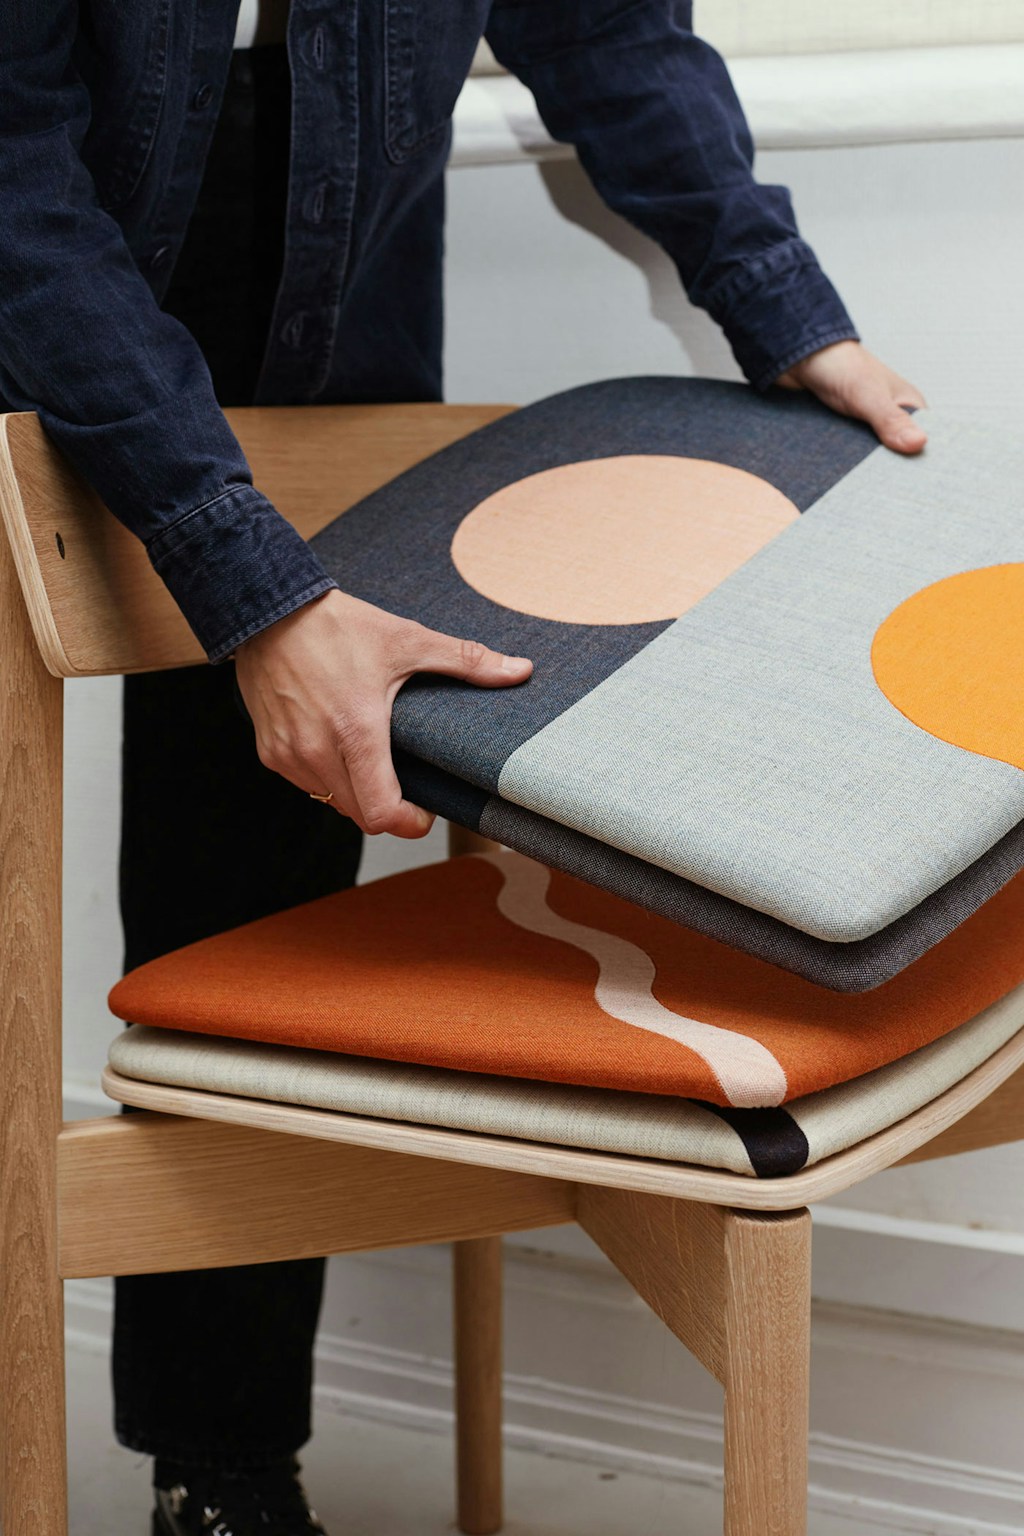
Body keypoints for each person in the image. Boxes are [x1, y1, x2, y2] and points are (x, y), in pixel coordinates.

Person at [0, 2, 927, 1531]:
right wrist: (250, 582)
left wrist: (789, 313)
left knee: (262, 898)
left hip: (331, 278)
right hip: (42, 255)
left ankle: (222, 1471)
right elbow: (15, 166)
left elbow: (607, 21)